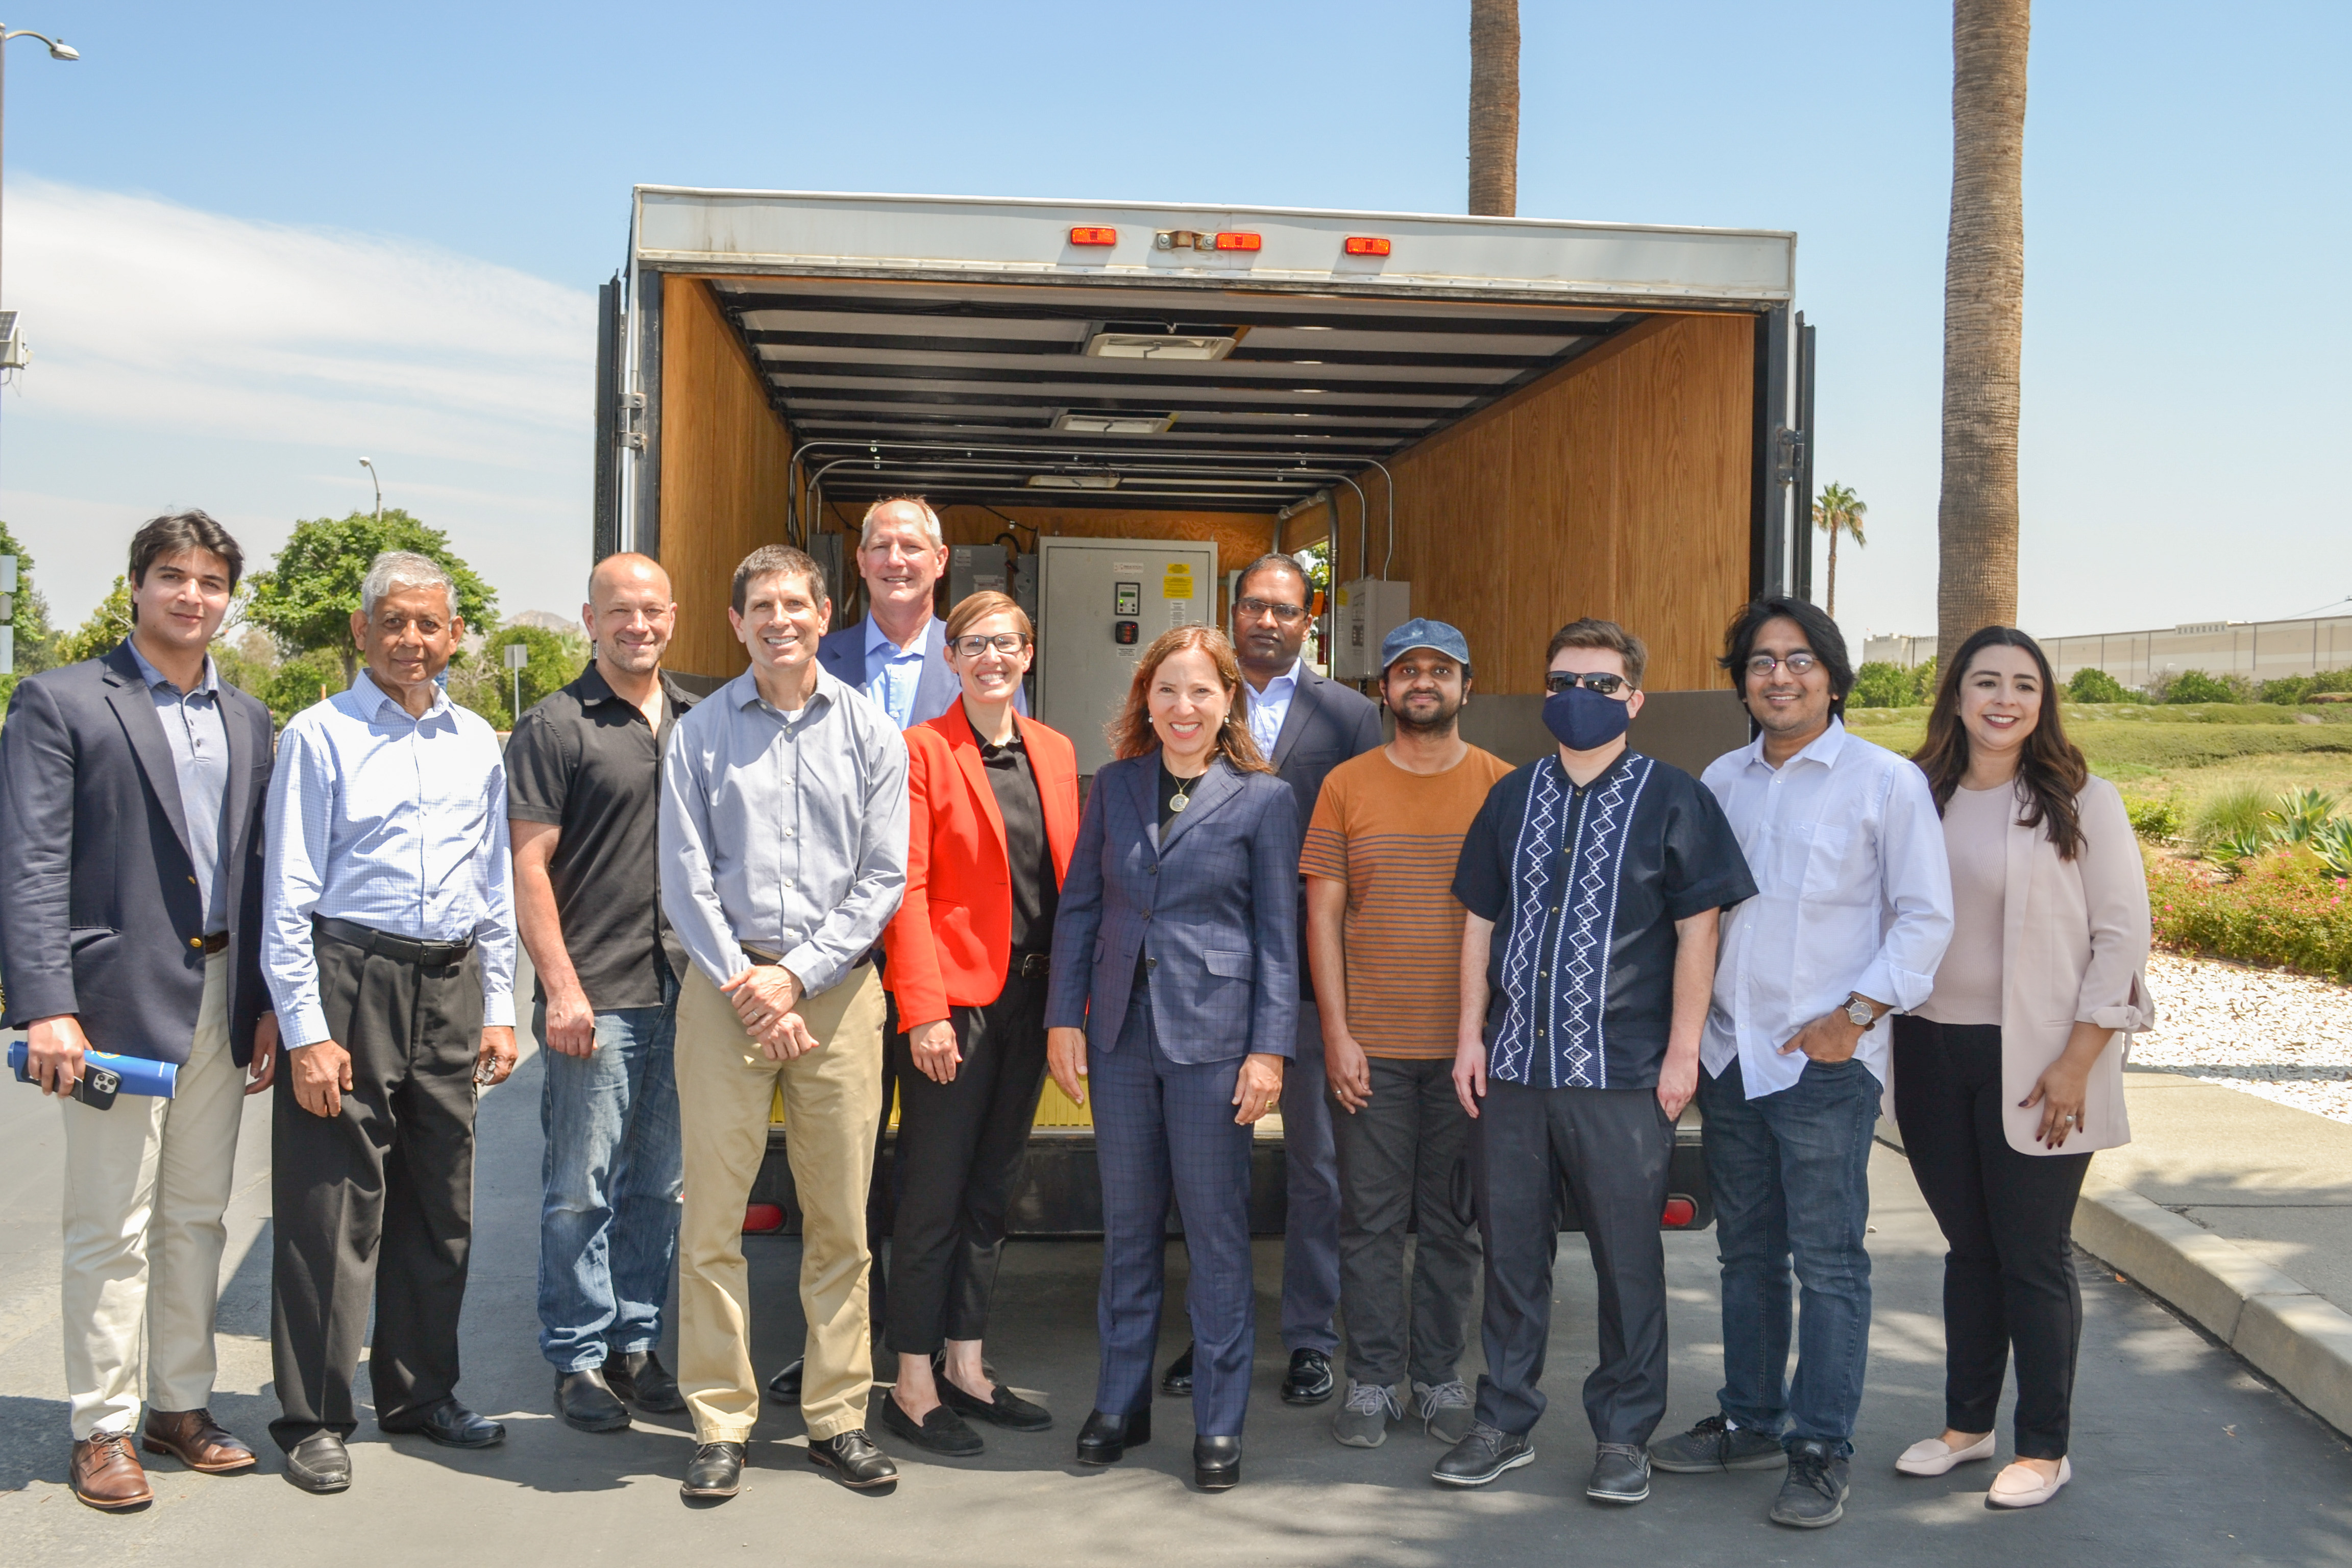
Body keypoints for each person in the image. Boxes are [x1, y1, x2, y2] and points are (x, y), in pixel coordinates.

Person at [1649, 596, 1953, 1530]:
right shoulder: (1721, 779)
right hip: (1735, 1052)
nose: (1779, 676)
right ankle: (1749, 1415)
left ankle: (1820, 1443)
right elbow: (1696, 916)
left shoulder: (1884, 782)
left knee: (1827, 1261)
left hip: (1826, 1062)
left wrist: (1853, 1016)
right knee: (1747, 1251)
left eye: (1798, 659)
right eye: (1760, 662)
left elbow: (1926, 917)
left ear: (1831, 673)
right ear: (1742, 680)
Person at [1439, 619, 1755, 1505]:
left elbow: (1702, 930)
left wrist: (1683, 1054)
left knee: (1627, 1264)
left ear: (1635, 699)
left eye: (1602, 685)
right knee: (1510, 1257)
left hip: (1621, 1075)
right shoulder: (1511, 797)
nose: (1581, 698)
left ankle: (1623, 1437)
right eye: (1564, 681)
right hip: (1514, 1074)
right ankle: (1503, 1421)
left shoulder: (1675, 797)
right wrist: (1472, 1035)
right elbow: (1478, 921)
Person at [0, 512, 278, 1510]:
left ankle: (180, 1404)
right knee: (110, 1224)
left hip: (220, 994)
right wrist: (46, 1006)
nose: (192, 596)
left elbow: (254, 872)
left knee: (198, 1215)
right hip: (110, 1006)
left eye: (211, 581)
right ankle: (103, 1428)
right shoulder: (63, 702)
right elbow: (28, 862)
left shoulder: (249, 720)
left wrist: (264, 1006)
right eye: (173, 577)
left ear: (227, 598)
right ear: (135, 588)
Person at [263, 549, 521, 1496]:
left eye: (431, 624)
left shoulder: (476, 742)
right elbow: (285, 898)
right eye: (396, 623)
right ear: (361, 633)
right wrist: (304, 1031)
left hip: (449, 984)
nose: (414, 640)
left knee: (438, 1203)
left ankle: (419, 1393)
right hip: (349, 981)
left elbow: (492, 882)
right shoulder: (318, 736)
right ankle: (315, 1417)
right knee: (332, 1212)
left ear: (454, 637)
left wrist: (499, 1009)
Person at [659, 544, 909, 1504]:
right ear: (737, 624)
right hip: (727, 998)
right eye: (760, 606)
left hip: (839, 999)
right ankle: (721, 1420)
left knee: (840, 1221)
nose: (779, 621)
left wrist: (797, 977)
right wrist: (748, 983)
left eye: (796, 605)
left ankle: (837, 1419)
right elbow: (683, 873)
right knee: (714, 1220)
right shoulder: (700, 734)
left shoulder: (871, 734)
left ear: (823, 613)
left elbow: (883, 878)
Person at [1891, 626, 2151, 1509]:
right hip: (1928, 1049)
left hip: (2039, 1060)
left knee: (2032, 1255)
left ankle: (2046, 1448)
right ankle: (1968, 1429)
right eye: (1986, 681)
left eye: (2024, 686)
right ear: (1955, 695)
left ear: (2043, 703)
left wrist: (2081, 1059)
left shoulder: (2081, 800)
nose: (2005, 699)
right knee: (1970, 1250)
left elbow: (2121, 937)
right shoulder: (1916, 793)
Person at [1045, 625, 1300, 1491]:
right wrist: (1064, 1019)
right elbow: (1080, 908)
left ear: (1230, 700)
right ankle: (1121, 1402)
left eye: (1200, 692)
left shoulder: (1265, 800)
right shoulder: (1114, 786)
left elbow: (1279, 935)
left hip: (1216, 1043)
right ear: (1144, 702)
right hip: (1118, 1033)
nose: (1182, 708)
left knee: (1218, 1238)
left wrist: (1270, 1050)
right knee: (1127, 1232)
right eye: (1166, 692)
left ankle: (1219, 1421)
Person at [789, 495, 1024, 1408]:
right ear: (860, 562)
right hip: (833, 951)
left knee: (936, 1169)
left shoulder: (978, 663)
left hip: (938, 959)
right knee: (840, 1162)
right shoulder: (819, 655)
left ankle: (921, 1346)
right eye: (880, 545)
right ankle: (839, 1345)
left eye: (912, 546)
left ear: (941, 560)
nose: (896, 560)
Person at [1158, 552, 1380, 1412]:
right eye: (1254, 606)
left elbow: (1365, 848)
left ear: (1308, 620)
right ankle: (1210, 1332)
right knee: (1207, 1170)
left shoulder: (1352, 716)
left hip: (1313, 977)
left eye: (1286, 611)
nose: (1268, 622)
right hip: (1210, 978)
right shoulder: (1193, 698)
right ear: (1233, 609)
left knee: (1320, 1168)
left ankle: (1312, 1339)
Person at [876, 591, 1079, 1457]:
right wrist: (923, 1013)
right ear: (950, 659)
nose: (991, 656)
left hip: (1032, 1006)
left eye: (1007, 642)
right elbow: (906, 889)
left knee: (991, 1194)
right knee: (931, 1198)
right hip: (953, 1011)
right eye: (973, 643)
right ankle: (912, 1382)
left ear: (1029, 655)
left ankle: (967, 1364)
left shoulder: (1057, 753)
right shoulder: (922, 752)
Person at [1302, 619, 1510, 1452]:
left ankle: (1439, 1378)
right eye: (1406, 670)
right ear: (1381, 689)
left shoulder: (1503, 785)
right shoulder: (1346, 786)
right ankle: (1374, 1383)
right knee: (1369, 1222)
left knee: (1452, 1226)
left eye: (1440, 670)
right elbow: (1322, 917)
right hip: (1373, 1048)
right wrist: (1336, 1033)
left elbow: (1516, 919)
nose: (1423, 683)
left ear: (1466, 686)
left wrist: (1491, 1034)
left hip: (1467, 1052)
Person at [505, 553, 699, 1433]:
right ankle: (578, 1356)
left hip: (685, 990)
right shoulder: (555, 725)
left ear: (674, 617)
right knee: (580, 1187)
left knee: (659, 1186)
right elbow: (528, 866)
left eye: (652, 611)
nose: (638, 626)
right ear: (590, 620)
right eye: (619, 612)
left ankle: (635, 1341)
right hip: (599, 992)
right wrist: (559, 989)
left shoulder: (699, 721)